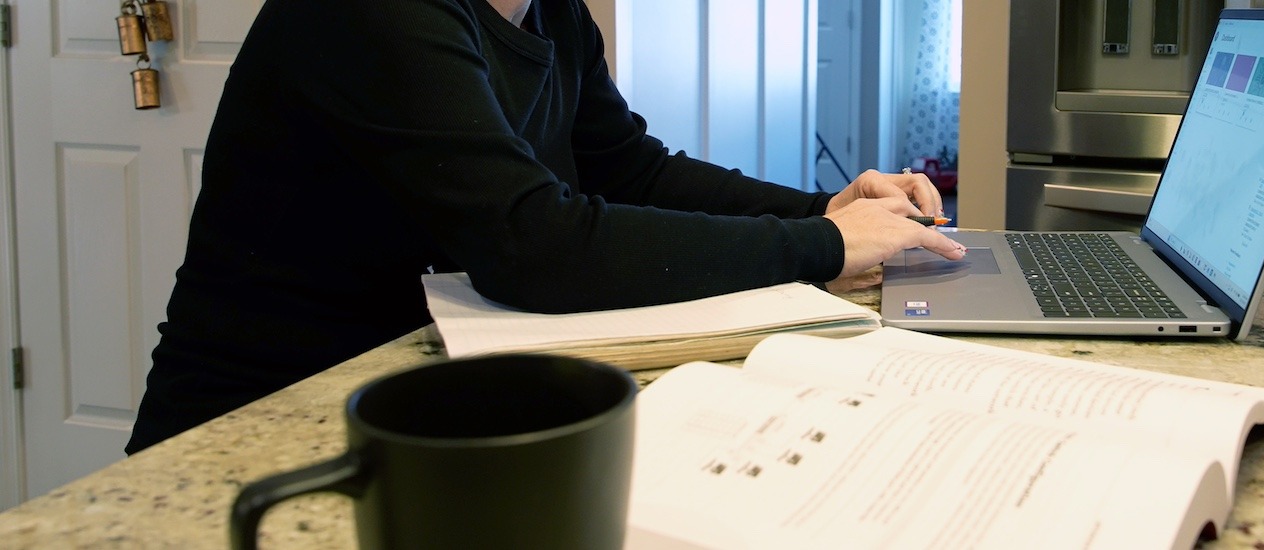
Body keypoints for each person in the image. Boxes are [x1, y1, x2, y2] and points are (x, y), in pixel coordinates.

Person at [124, 0, 967, 454]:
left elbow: (632, 168)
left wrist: (819, 209)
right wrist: (822, 249)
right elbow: (535, 245)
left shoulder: (553, 14)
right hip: (259, 428)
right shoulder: (371, 12)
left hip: (415, 403)